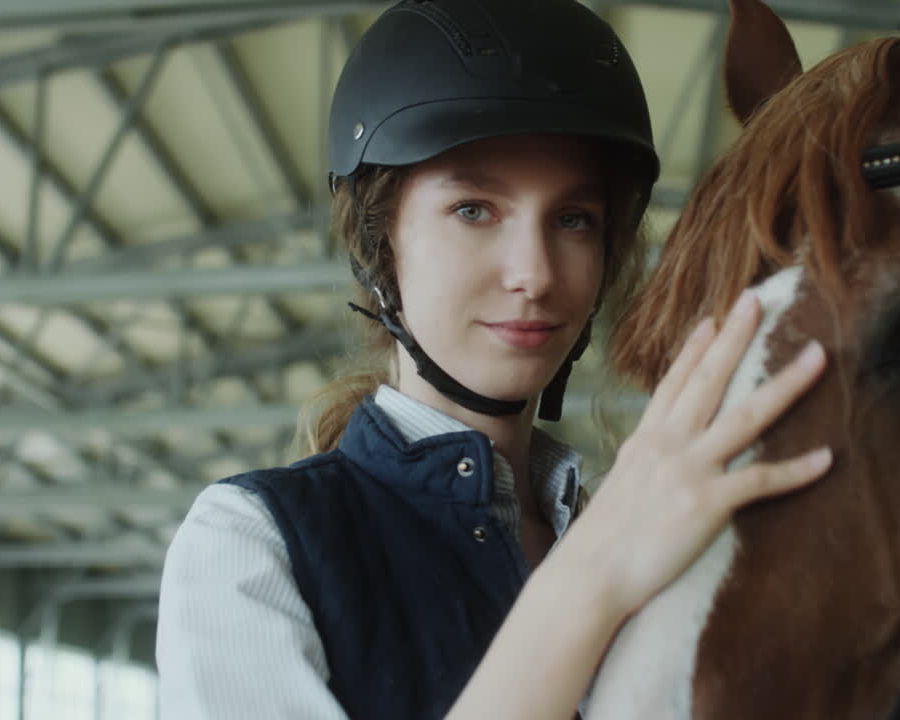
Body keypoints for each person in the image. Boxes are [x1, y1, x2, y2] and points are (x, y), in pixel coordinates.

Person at [155, 1, 832, 718]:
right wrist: (596, 576)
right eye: (474, 209)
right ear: (379, 244)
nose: (535, 273)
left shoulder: (651, 537)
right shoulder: (249, 543)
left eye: (574, 219)